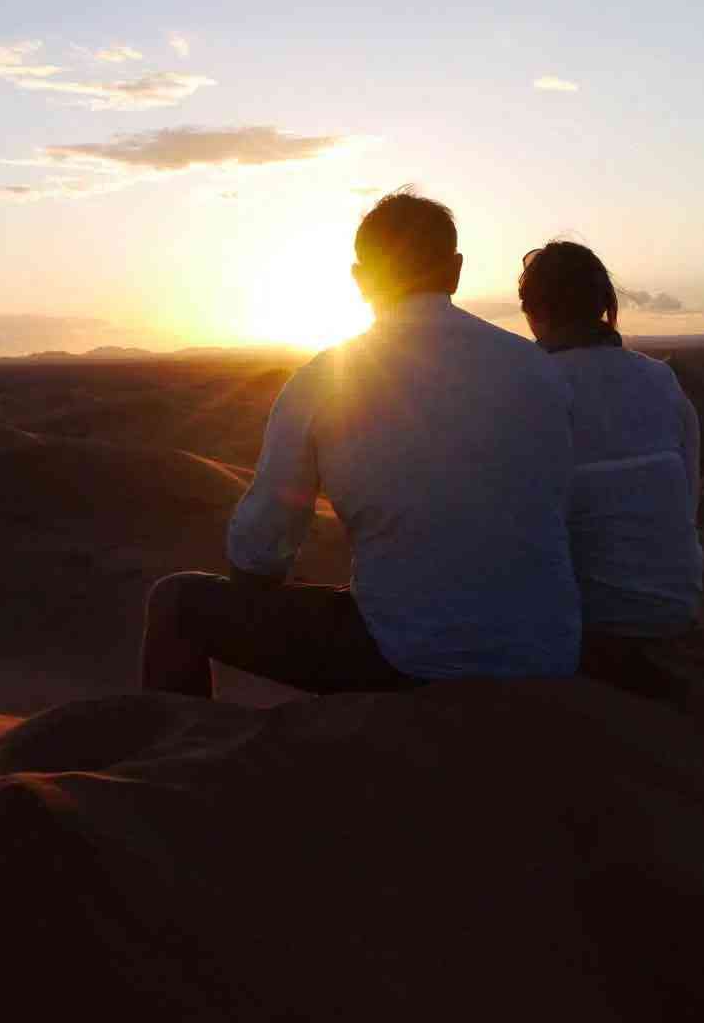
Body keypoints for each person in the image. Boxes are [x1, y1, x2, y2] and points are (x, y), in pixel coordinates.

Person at [140, 189, 581, 698]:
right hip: (548, 653)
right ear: (455, 270)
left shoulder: (325, 380)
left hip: (405, 657)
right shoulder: (540, 370)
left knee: (175, 602)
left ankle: (175, 762)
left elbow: (259, 550)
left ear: (359, 279)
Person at [517, 241, 703, 656]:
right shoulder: (662, 380)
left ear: (532, 312)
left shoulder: (523, 386)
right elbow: (687, 504)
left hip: (578, 624)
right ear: (604, 305)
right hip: (674, 607)